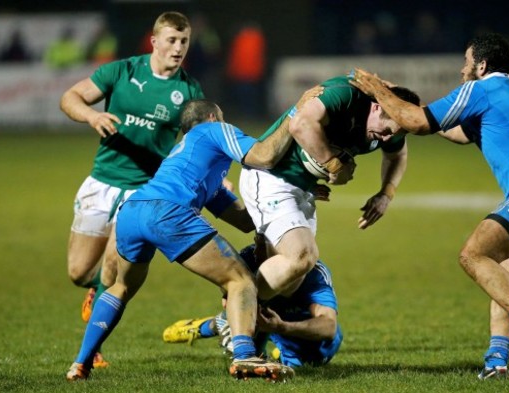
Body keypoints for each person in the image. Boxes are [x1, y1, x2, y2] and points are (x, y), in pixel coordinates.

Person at [349, 33, 509, 380]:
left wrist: (379, 92)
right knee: (501, 277)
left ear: (482, 65)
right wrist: (400, 100)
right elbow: (453, 130)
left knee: (472, 256)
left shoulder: (482, 89)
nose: (462, 70)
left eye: (466, 61)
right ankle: (496, 363)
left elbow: (420, 123)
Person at [65, 86, 323, 382]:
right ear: (213, 117)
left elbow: (243, 220)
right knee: (240, 280)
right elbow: (263, 155)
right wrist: (296, 112)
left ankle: (80, 364)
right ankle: (243, 357)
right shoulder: (213, 130)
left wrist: (298, 193)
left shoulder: (190, 162)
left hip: (133, 211)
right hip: (167, 211)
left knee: (120, 287)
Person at [59, 11, 204, 368]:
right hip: (102, 182)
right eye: (171, 40)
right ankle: (94, 289)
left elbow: (198, 142)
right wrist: (92, 116)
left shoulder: (188, 90)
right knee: (79, 272)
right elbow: (71, 97)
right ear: (154, 41)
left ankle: (91, 349)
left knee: (113, 269)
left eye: (184, 41)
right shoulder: (122, 71)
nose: (178, 48)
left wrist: (211, 178)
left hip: (144, 194)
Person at [239, 75, 420, 307]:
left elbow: (397, 155)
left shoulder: (391, 123)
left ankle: (236, 320)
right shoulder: (345, 94)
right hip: (271, 178)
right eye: (385, 131)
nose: (386, 138)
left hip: (303, 189)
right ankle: (234, 311)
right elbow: (299, 125)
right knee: (301, 256)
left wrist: (386, 193)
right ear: (376, 107)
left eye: (392, 135)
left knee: (291, 282)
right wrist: (335, 163)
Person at [162, 240, 343, 368]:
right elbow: (228, 299)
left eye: (266, 243)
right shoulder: (250, 256)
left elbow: (329, 327)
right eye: (258, 240)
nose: (258, 249)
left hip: (297, 329)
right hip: (264, 318)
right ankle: (210, 326)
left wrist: (282, 327)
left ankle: (214, 325)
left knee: (312, 361)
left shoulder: (313, 272)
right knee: (250, 354)